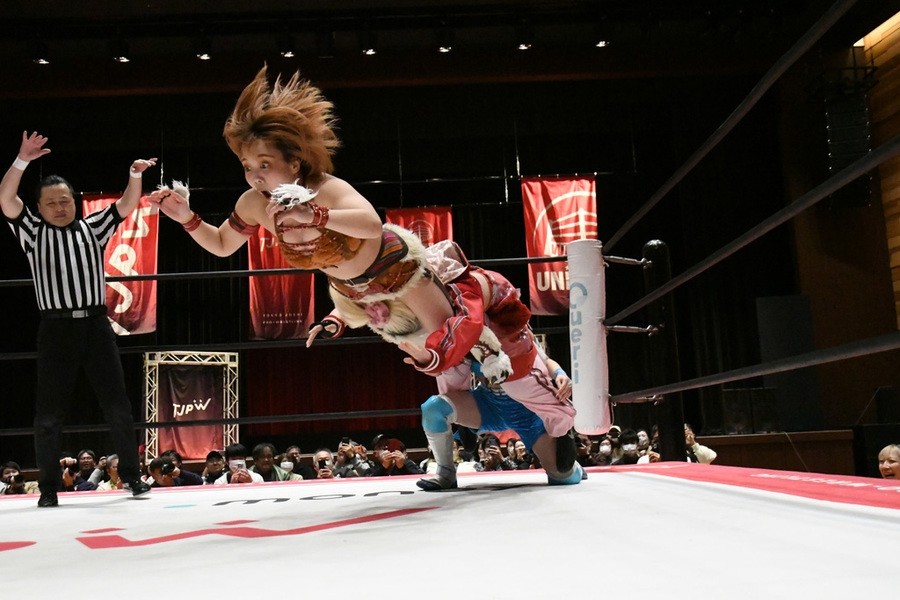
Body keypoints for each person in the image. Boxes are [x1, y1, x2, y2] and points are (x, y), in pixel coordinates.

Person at [149, 66, 455, 348]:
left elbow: (372, 225)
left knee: (451, 346)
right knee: (422, 355)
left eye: (265, 164)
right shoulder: (254, 203)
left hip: (396, 267)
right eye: (247, 166)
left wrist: (312, 215)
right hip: (350, 289)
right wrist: (186, 218)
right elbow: (221, 245)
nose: (255, 176)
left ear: (294, 163)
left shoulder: (326, 188)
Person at [0, 132, 156, 507]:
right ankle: (48, 487)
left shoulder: (92, 227)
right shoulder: (32, 231)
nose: (59, 207)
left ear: (75, 201)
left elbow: (126, 204)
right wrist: (22, 160)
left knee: (117, 405)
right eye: (51, 203)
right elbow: (6, 199)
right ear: (39, 207)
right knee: (49, 413)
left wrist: (135, 175)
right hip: (56, 328)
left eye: (65, 200)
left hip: (96, 326)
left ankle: (132, 477)